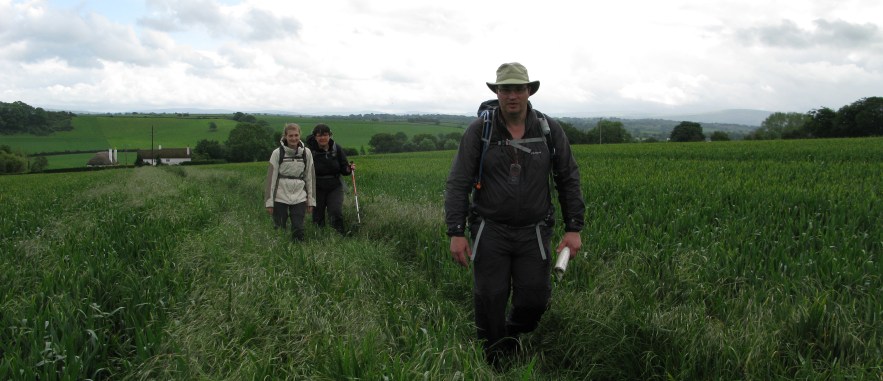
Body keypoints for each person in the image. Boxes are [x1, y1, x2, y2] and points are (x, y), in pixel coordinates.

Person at [444, 62, 586, 365]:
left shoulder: (548, 129)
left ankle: (510, 334)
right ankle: (494, 359)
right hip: (490, 229)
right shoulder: (480, 131)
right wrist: (456, 231)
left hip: (534, 231)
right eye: (505, 89)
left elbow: (568, 177)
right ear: (497, 92)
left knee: (535, 300)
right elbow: (458, 182)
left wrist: (574, 228)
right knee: (489, 298)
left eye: (518, 88)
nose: (511, 95)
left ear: (529, 91)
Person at [264, 123, 316, 241]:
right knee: (280, 228)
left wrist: (311, 200)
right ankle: (280, 251)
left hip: (299, 195)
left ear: (299, 135)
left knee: (298, 228)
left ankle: (299, 253)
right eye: (290, 136)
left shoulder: (306, 153)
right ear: (285, 136)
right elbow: (271, 178)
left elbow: (309, 177)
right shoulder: (277, 153)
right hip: (280, 195)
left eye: (296, 135)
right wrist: (269, 202)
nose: (294, 138)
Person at [305, 123, 354, 235]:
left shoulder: (337, 148)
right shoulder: (309, 151)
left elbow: (344, 168)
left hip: (335, 186)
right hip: (316, 186)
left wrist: (349, 169)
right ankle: (319, 236)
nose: (323, 138)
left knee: (336, 211)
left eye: (325, 135)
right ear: (315, 137)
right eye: (319, 135)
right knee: (318, 215)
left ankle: (339, 236)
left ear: (330, 135)